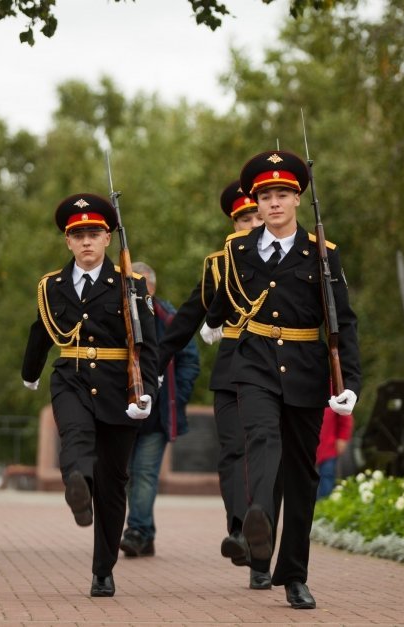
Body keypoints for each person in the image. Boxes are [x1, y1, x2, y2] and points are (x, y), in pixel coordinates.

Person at [201, 152, 361, 609]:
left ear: (296, 199)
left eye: (282, 195)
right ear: (257, 201)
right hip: (252, 362)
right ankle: (259, 518)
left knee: (302, 473)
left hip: (307, 368)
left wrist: (349, 381)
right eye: (265, 196)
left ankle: (293, 574)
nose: (273, 203)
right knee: (260, 438)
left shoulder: (322, 254)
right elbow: (225, 298)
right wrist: (211, 321)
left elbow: (342, 321)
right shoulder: (239, 249)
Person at [21, 193, 158, 598]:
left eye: (94, 234)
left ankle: (103, 569)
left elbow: (148, 343)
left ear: (108, 239)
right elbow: (41, 330)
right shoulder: (53, 285)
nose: (86, 242)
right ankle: (76, 484)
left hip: (120, 384)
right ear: (67, 241)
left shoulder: (130, 285)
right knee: (75, 433)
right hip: (72, 376)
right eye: (78, 234)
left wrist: (146, 389)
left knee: (114, 483)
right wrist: (31, 373)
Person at [155, 180, 274, 590]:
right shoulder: (219, 264)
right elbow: (188, 316)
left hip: (280, 370)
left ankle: (263, 549)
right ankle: (242, 532)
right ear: (234, 223)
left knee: (267, 456)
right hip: (233, 366)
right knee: (233, 453)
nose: (253, 222)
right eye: (245, 217)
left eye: (258, 214)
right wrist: (156, 362)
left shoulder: (292, 254)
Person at [119, 262, 200, 558]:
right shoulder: (119, 316)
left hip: (158, 416)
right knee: (127, 474)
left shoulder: (170, 318)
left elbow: (190, 361)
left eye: (139, 287)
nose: (134, 293)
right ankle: (146, 533)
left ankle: (137, 531)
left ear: (151, 287)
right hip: (124, 413)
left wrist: (177, 395)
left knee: (143, 473)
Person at [315, 407, 353, 501]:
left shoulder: (334, 394)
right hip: (305, 449)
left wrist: (342, 438)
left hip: (328, 448)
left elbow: (345, 417)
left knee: (327, 478)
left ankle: (324, 509)